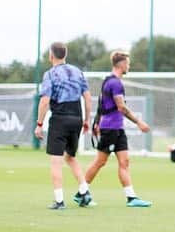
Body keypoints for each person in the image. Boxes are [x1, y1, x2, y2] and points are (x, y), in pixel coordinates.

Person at [84, 50, 152, 207]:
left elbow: (102, 104)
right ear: (121, 64)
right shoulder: (114, 83)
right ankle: (82, 191)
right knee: (100, 162)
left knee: (124, 161)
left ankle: (131, 197)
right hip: (110, 128)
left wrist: (96, 122)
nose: (129, 66)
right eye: (128, 63)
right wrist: (139, 122)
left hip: (117, 128)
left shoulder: (110, 81)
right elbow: (121, 107)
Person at [34, 42, 94, 210]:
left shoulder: (50, 74)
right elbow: (88, 98)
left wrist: (39, 124)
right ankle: (85, 191)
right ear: (65, 55)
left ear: (51, 56)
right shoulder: (78, 72)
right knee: (70, 157)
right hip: (76, 117)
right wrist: (87, 120)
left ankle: (59, 201)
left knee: (56, 161)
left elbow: (45, 100)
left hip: (60, 118)